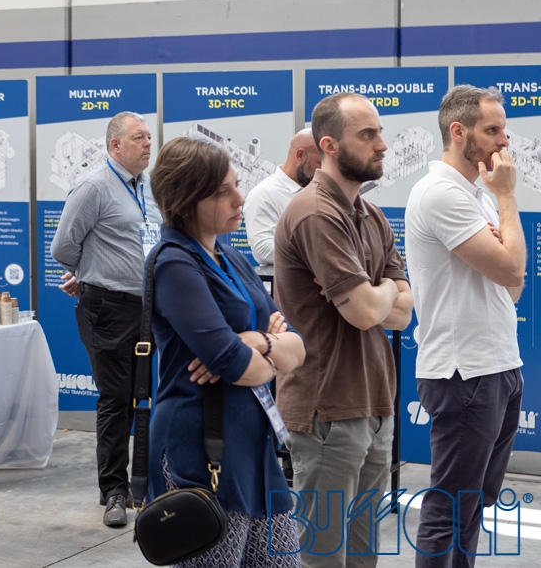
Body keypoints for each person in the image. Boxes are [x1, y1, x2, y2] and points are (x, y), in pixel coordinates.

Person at [146, 137, 306, 567]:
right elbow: (234, 364)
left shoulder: (231, 257)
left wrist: (257, 342)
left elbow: (297, 347)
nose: (240, 199)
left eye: (236, 185)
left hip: (254, 447)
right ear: (185, 202)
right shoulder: (174, 263)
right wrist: (259, 351)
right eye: (222, 192)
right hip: (203, 451)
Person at [273, 93, 413, 568]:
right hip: (328, 411)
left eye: (380, 133)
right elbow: (366, 314)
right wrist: (382, 291)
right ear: (329, 145)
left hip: (375, 404)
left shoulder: (371, 215)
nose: (382, 145)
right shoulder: (315, 213)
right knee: (324, 557)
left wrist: (376, 292)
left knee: (362, 556)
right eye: (368, 135)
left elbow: (402, 312)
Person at [405, 85, 525, 567]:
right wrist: (507, 199)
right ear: (459, 132)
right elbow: (511, 269)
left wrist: (503, 234)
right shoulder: (442, 193)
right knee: (450, 509)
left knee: (472, 505)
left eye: (504, 130)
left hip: (496, 365)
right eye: (492, 130)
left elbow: (511, 288)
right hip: (465, 373)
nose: (503, 142)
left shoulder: (475, 195)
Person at [50, 111, 163, 527]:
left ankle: (145, 484)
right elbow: (63, 247)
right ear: (115, 145)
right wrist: (90, 272)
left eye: (149, 137)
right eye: (139, 138)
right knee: (116, 400)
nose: (148, 144)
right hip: (109, 308)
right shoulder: (94, 187)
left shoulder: (150, 187)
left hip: (151, 309)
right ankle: (114, 490)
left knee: (145, 397)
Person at [243, 129, 321, 265]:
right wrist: (322, 252)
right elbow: (263, 251)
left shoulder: (317, 190)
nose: (323, 170)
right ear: (300, 156)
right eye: (319, 163)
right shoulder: (264, 194)